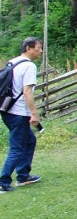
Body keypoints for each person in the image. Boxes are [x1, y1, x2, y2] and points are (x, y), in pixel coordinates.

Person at [1, 37, 44, 193]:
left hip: (7, 111)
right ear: (28, 48)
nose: (41, 51)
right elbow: (27, 92)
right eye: (39, 47)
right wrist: (34, 114)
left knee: (29, 141)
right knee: (17, 148)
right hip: (18, 112)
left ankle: (23, 175)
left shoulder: (13, 62)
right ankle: (3, 182)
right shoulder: (29, 66)